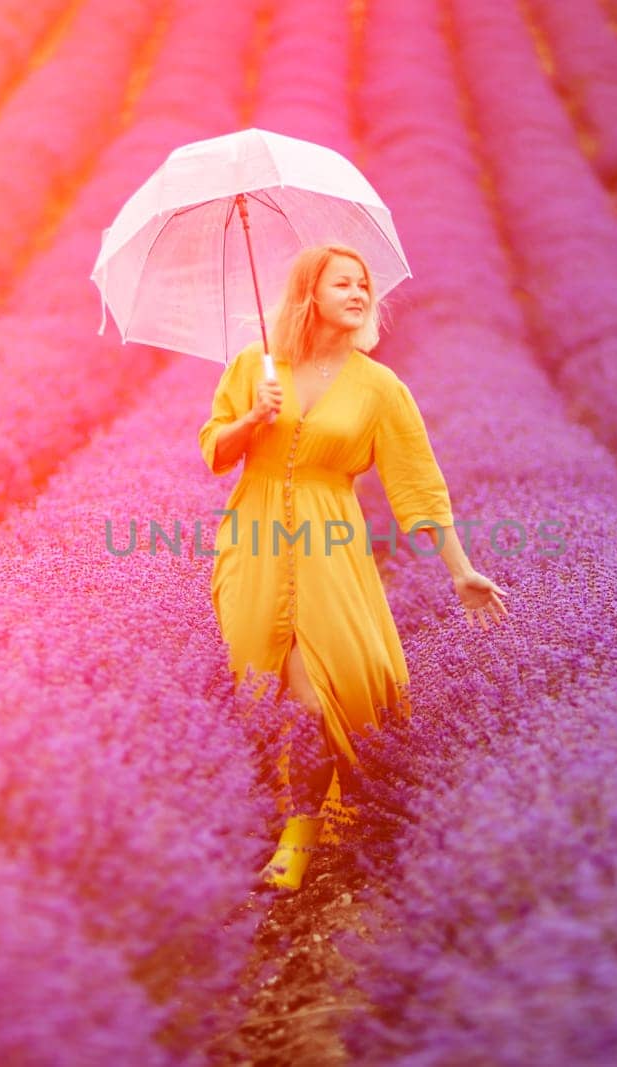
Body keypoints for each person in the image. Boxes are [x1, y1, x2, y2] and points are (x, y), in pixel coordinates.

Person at [198, 244, 510, 892]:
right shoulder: (254, 367)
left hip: (329, 549)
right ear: (310, 292)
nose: (360, 292)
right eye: (344, 283)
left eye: (364, 284)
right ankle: (251, 819)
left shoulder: (379, 387)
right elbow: (214, 452)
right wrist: (256, 414)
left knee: (318, 692)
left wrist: (460, 570)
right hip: (251, 544)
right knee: (260, 690)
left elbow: (419, 485)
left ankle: (300, 836)